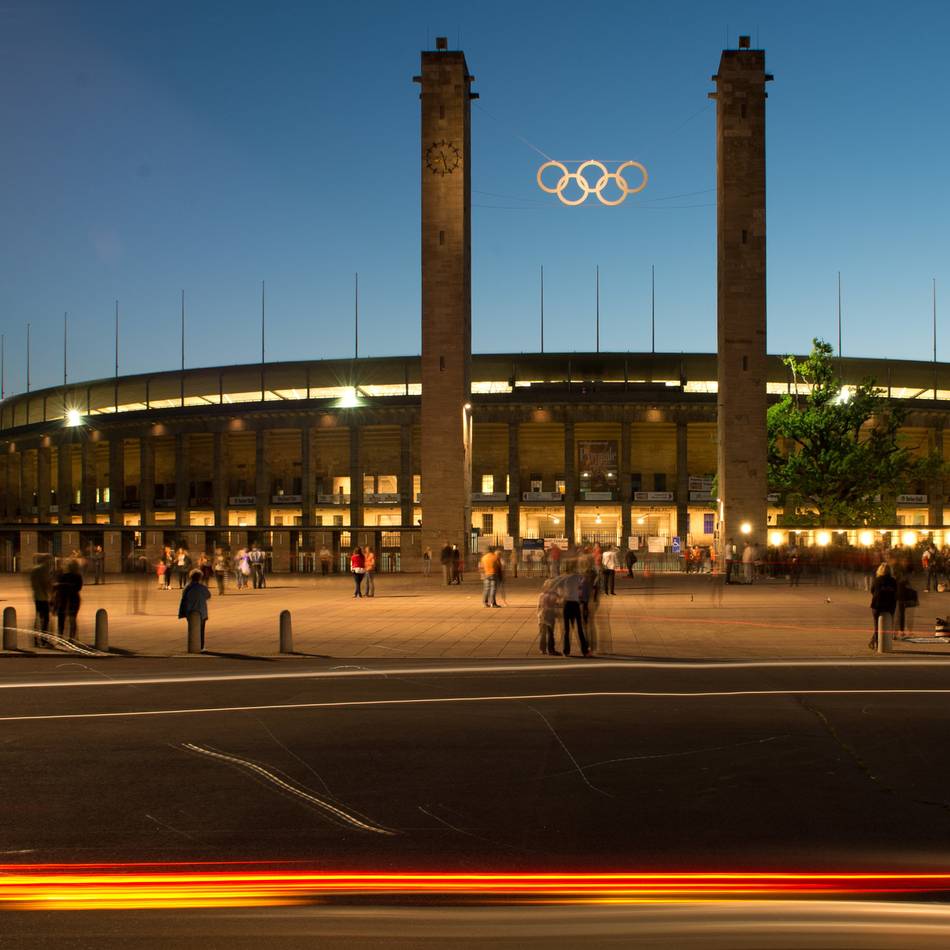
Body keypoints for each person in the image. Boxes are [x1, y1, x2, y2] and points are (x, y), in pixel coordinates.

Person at [555, 568, 591, 657]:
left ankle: (566, 651)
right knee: (579, 629)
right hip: (575, 604)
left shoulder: (563, 578)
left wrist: (561, 596)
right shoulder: (577, 577)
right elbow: (584, 581)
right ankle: (585, 651)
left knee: (567, 630)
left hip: (567, 604)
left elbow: (555, 586)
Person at [178, 569, 211, 650]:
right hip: (201, 610)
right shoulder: (202, 587)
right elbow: (208, 595)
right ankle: (201, 646)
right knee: (201, 630)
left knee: (192, 629)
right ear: (199, 578)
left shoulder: (187, 587)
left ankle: (193, 646)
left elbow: (184, 598)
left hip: (189, 610)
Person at [868, 562, 897, 651]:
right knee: (888, 625)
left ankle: (876, 643)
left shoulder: (877, 580)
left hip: (877, 605)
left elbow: (872, 590)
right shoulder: (893, 581)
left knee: (877, 625)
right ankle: (878, 641)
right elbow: (896, 593)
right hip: (889, 606)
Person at [52, 560, 83, 641]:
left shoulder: (63, 576)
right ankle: (71, 637)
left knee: (61, 618)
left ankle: (61, 636)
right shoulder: (78, 576)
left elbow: (57, 588)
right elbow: (78, 587)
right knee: (72, 618)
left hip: (63, 598)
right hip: (74, 599)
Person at [30, 555, 52, 646]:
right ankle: (44, 639)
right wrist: (51, 594)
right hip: (43, 597)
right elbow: (46, 583)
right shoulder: (44, 569)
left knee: (38, 617)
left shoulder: (34, 569)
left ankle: (35, 639)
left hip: (36, 596)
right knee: (45, 619)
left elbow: (33, 583)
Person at [537, 579, 561, 655]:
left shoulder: (541, 595)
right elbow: (557, 604)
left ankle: (542, 649)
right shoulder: (553, 595)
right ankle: (551, 649)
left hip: (541, 615)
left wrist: (538, 614)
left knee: (542, 633)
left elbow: (539, 606)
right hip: (549, 616)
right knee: (550, 633)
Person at [896, 572, 919, 638]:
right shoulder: (903, 581)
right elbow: (912, 590)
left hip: (900, 599)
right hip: (902, 599)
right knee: (902, 616)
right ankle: (902, 631)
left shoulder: (899, 580)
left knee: (900, 616)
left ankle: (899, 632)